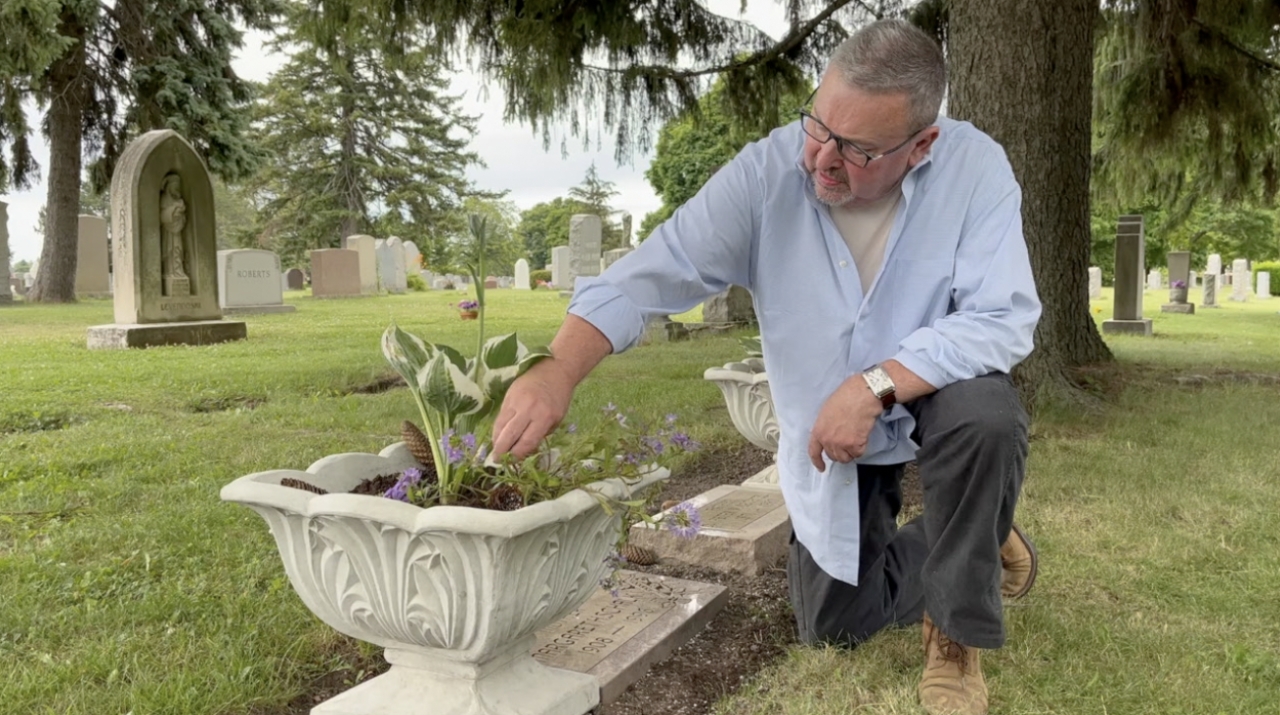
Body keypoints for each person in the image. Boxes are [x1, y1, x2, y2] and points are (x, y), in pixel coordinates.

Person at [493, 18, 1040, 715]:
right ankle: (979, 531)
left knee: (986, 415)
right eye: (818, 125)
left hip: (932, 392)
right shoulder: (765, 173)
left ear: (921, 145)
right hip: (830, 438)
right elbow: (647, 274)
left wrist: (875, 383)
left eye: (857, 149)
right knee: (835, 625)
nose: (822, 161)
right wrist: (558, 369)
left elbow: (1003, 316)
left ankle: (956, 638)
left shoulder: (975, 168)